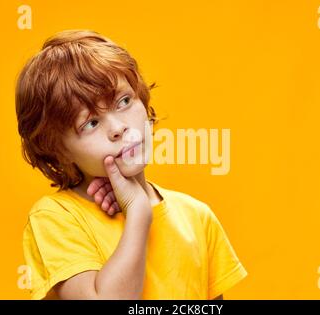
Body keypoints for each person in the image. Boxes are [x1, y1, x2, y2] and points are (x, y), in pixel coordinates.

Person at [15, 29, 247, 299]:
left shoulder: (197, 216)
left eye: (124, 101)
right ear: (60, 152)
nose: (118, 128)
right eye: (91, 123)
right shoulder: (56, 217)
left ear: (144, 102)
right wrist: (138, 212)